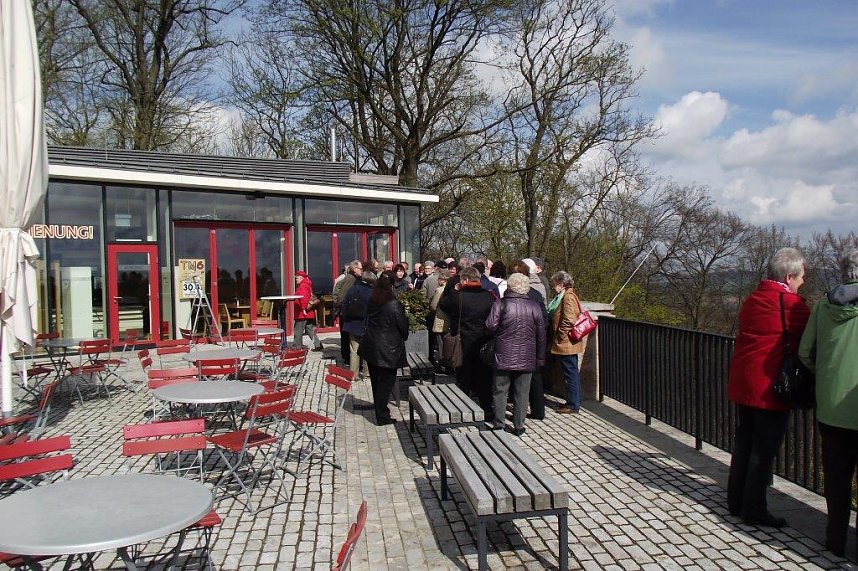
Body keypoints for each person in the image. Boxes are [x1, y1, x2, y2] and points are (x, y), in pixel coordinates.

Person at [727, 247, 809, 528]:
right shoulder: (791, 305)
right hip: (770, 386)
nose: (803, 282)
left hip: (745, 382)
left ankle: (735, 500)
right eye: (800, 277)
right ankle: (754, 508)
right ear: (789, 277)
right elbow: (811, 338)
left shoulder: (753, 299)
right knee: (764, 450)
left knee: (744, 443)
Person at [798, 248, 858, 556]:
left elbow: (806, 352)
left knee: (836, 480)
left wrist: (828, 376)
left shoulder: (823, 305)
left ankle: (835, 541)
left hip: (832, 408)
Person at [486, 273, 545, 435]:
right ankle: (519, 425)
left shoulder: (501, 304)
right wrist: (540, 358)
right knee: (522, 391)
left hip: (503, 353)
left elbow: (490, 326)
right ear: (526, 287)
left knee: (500, 389)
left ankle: (499, 423)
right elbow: (541, 335)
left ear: (510, 286)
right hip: (527, 355)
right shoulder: (534, 306)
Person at [439, 267, 495, 416]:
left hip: (462, 341)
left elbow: (443, 305)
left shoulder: (458, 296)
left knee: (463, 377)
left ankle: (464, 410)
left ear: (464, 280)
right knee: (484, 378)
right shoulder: (489, 296)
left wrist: (454, 290)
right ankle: (488, 410)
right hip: (483, 341)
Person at [358, 274, 409, 425]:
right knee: (385, 384)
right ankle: (382, 416)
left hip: (372, 347)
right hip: (388, 349)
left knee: (376, 383)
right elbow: (403, 327)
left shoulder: (373, 301)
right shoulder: (393, 304)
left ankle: (381, 412)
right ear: (391, 287)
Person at [548, 271, 585, 414]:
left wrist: (560, 335)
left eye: (555, 284)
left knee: (570, 373)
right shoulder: (566, 295)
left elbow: (569, 319)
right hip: (567, 342)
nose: (553, 287)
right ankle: (572, 401)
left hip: (567, 342)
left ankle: (573, 404)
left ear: (561, 283)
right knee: (570, 372)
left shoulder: (568, 297)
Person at [341, 271, 377, 379]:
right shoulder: (372, 292)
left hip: (352, 324)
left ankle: (353, 375)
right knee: (367, 349)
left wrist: (346, 318)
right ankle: (367, 372)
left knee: (354, 350)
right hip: (366, 324)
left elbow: (344, 305)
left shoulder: (352, 289)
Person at [333, 260, 363, 363]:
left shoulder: (352, 278)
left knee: (346, 337)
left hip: (345, 312)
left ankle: (346, 357)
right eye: (360, 269)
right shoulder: (351, 279)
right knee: (346, 337)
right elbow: (342, 297)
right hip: (346, 313)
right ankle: (346, 358)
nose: (362, 271)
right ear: (355, 269)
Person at [293, 270, 323, 352]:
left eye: (297, 278)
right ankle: (318, 344)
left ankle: (297, 347)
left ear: (301, 277)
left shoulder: (303, 286)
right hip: (308, 312)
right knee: (309, 329)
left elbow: (303, 298)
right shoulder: (307, 284)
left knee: (298, 330)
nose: (296, 279)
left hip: (302, 313)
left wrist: (303, 309)